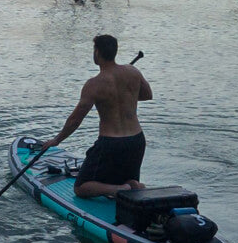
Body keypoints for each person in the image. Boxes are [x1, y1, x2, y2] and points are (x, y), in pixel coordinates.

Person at [33, 34, 151, 198]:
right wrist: (125, 95)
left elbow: (75, 120)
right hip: (136, 140)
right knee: (130, 179)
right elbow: (147, 95)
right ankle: (133, 186)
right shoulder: (133, 72)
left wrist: (56, 140)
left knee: (81, 188)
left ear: (97, 53)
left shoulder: (94, 85)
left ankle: (118, 190)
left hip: (111, 143)